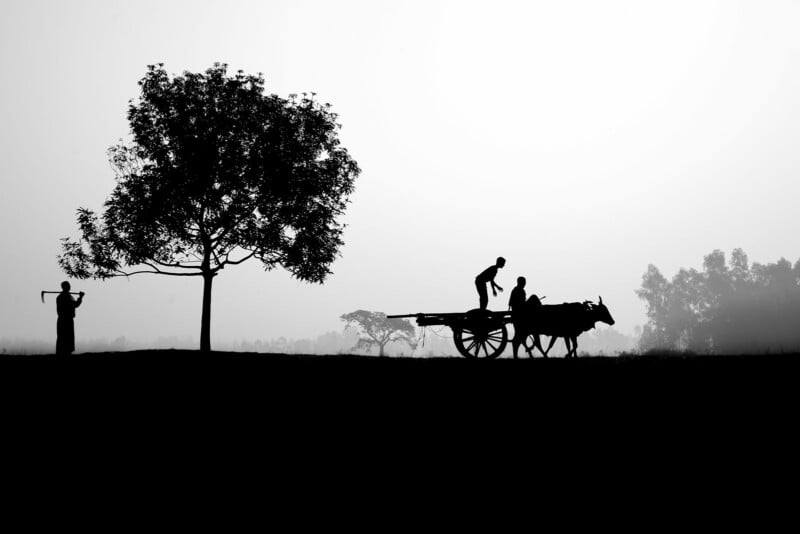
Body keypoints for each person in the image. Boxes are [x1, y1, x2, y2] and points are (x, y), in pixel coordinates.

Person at [56, 281, 84, 355]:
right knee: (66, 337)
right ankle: (65, 353)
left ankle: (63, 353)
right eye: (68, 286)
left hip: (63, 319)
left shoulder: (61, 297)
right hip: (66, 320)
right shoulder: (67, 297)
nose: (69, 287)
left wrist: (80, 298)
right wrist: (80, 297)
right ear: (65, 287)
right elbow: (75, 304)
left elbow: (74, 304)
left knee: (63, 337)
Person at [509, 277, 527, 358]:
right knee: (518, 335)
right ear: (521, 283)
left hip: (516, 314)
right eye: (524, 282)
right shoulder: (520, 291)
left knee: (518, 335)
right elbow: (522, 303)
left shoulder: (515, 290)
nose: (524, 284)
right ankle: (515, 355)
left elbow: (510, 303)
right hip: (519, 315)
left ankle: (515, 355)